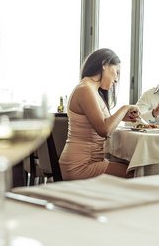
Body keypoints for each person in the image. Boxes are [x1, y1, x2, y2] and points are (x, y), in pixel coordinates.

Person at [59, 48, 140, 180]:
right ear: (104, 64)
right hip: (80, 165)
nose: (116, 80)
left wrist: (121, 117)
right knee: (137, 174)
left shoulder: (92, 90)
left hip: (88, 162)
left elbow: (101, 123)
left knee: (134, 167)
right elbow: (104, 129)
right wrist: (125, 108)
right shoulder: (85, 89)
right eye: (116, 72)